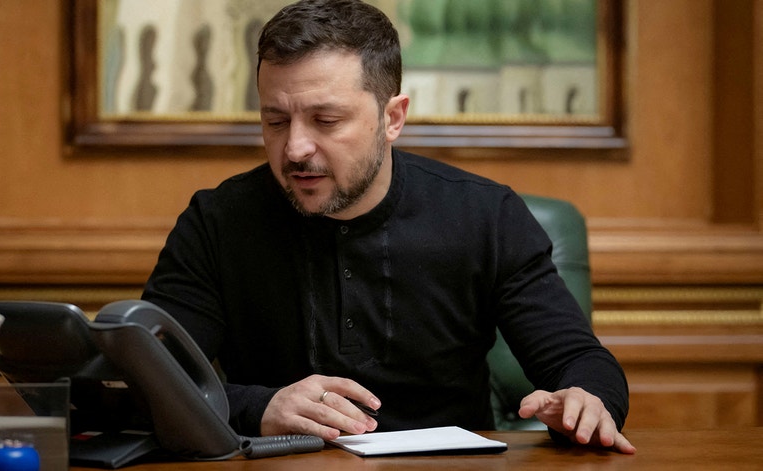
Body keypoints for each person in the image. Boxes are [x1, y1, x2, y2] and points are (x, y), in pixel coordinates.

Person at [142, 0, 635, 454]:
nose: (294, 148)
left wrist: (585, 402)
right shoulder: (216, 221)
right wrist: (259, 407)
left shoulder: (487, 216)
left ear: (392, 118)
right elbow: (141, 385)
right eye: (276, 121)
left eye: (325, 120)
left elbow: (583, 362)